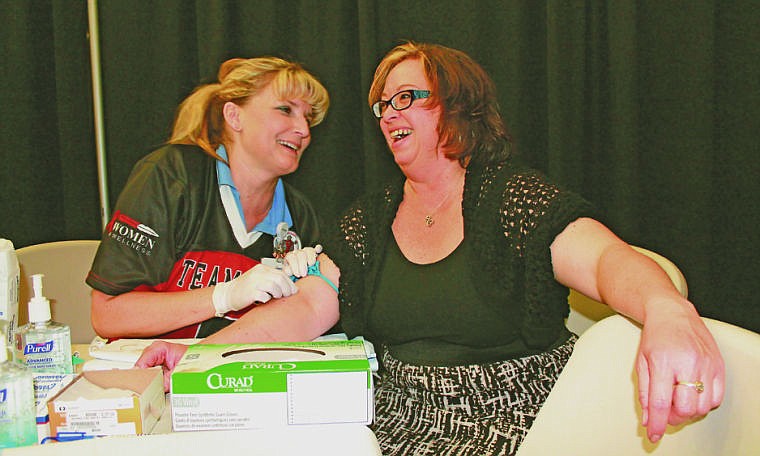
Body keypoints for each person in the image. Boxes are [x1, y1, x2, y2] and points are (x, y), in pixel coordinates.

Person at [136, 42, 724, 455]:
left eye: (407, 97)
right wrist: (198, 353)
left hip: (518, 425)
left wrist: (668, 310)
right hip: (395, 424)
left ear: (457, 105)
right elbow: (306, 307)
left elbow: (606, 258)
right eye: (383, 104)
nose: (389, 113)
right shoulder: (369, 218)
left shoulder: (511, 198)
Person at [86, 56, 329, 340]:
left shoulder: (299, 214)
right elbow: (108, 314)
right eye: (286, 110)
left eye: (308, 117)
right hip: (152, 377)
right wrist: (224, 297)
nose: (304, 130)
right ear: (234, 116)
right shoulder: (171, 177)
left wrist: (310, 285)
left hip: (243, 376)